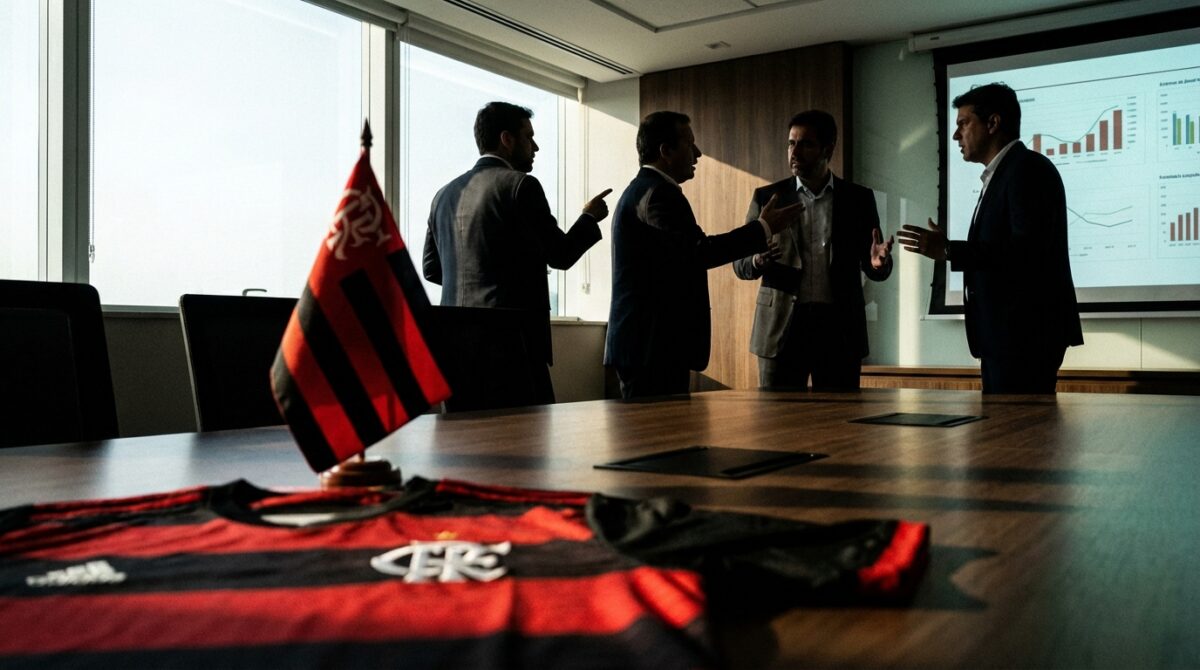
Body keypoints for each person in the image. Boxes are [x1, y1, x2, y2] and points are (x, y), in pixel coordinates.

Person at [897, 83, 1083, 394]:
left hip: (1024, 336)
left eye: (963, 124)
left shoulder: (1026, 170)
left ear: (993, 123)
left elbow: (1025, 252)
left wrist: (949, 250)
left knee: (1018, 427)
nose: (956, 135)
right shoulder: (1005, 173)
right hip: (1008, 337)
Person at [603, 111, 801, 400]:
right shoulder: (658, 194)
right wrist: (763, 227)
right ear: (666, 151)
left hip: (648, 345)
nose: (698, 153)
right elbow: (698, 252)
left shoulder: (644, 190)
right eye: (689, 143)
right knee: (659, 427)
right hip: (651, 347)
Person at [424, 101, 612, 403]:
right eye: (529, 137)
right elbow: (561, 254)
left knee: (464, 434)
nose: (535, 147)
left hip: (455, 350)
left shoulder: (442, 195)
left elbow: (432, 269)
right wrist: (589, 217)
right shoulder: (521, 186)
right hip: (512, 348)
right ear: (507, 139)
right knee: (529, 431)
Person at [733, 110, 893, 391]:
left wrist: (878, 264)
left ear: (827, 149)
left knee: (840, 414)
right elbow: (740, 263)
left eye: (805, 144)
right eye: (791, 143)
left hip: (839, 328)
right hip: (781, 327)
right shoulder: (768, 198)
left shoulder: (858, 199)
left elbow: (873, 262)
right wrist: (758, 260)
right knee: (777, 415)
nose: (794, 152)